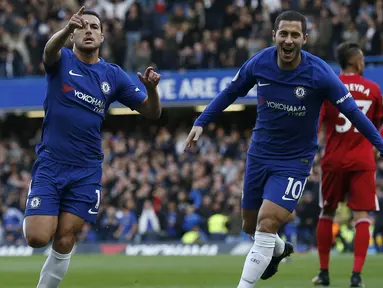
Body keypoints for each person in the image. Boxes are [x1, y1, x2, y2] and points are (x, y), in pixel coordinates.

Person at [183, 11, 383, 288]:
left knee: (266, 224)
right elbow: (230, 92)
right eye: (284, 34)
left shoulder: (320, 73)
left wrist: (380, 144)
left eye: (295, 35)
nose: (288, 40)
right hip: (259, 155)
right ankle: (278, 250)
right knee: (249, 227)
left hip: (294, 161)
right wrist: (202, 121)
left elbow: (352, 112)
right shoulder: (260, 63)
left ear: (305, 39)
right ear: (274, 36)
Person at [23, 7, 161, 288]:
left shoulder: (113, 75)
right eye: (82, 26)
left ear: (102, 35)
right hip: (51, 164)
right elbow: (49, 50)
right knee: (37, 237)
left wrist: (152, 90)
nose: (88, 30)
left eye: (94, 26)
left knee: (64, 238)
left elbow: (152, 113)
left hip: (86, 170)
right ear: (72, 35)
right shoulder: (61, 61)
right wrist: (63, 29)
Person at [313, 42, 383, 287]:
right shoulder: (373, 89)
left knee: (328, 211)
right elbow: (378, 124)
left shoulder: (329, 87)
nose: (364, 62)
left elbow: (317, 122)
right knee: (362, 216)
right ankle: (356, 275)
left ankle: (323, 273)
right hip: (363, 160)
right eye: (362, 58)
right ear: (355, 61)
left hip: (334, 159)